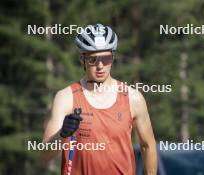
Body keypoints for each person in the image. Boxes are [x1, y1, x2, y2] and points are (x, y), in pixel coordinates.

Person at [42, 24, 157, 175]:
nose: (100, 65)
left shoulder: (133, 98)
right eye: (93, 59)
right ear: (82, 59)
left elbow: (147, 146)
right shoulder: (65, 98)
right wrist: (62, 134)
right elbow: (45, 155)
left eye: (106, 58)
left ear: (113, 57)